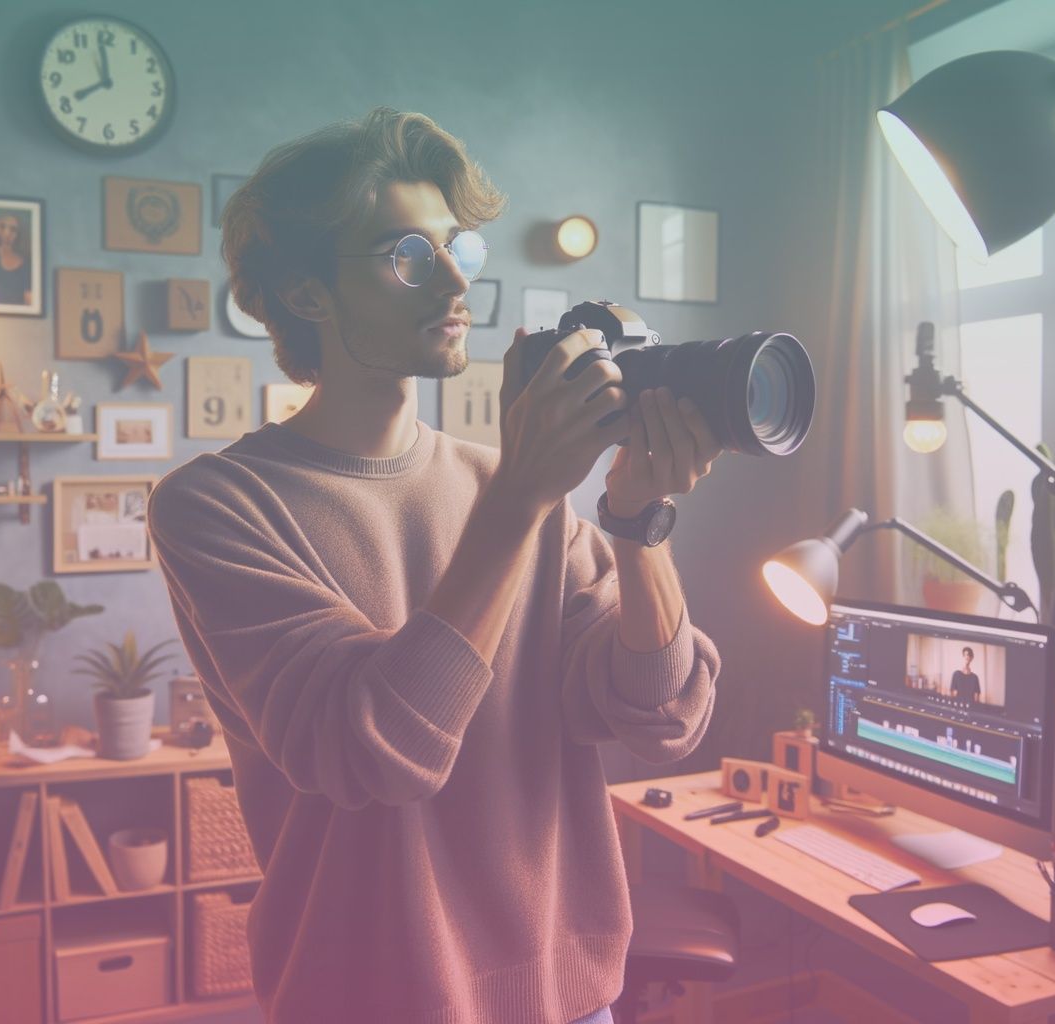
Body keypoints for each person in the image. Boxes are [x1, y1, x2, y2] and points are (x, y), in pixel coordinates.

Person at [149, 108, 722, 1024]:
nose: (456, 278)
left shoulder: (514, 488)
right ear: (306, 293)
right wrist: (522, 500)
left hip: (571, 999)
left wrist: (636, 523)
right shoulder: (216, 505)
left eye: (460, 247)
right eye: (406, 254)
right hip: (369, 1000)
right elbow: (373, 748)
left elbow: (656, 716)